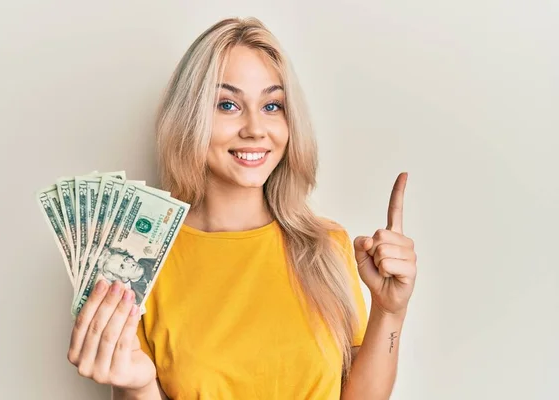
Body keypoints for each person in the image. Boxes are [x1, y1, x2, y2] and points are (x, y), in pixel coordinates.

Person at [67, 17, 417, 400]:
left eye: (272, 105)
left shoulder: (327, 247)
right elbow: (138, 383)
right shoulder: (141, 259)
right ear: (189, 117)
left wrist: (389, 312)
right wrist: (138, 387)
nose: (255, 128)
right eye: (228, 104)